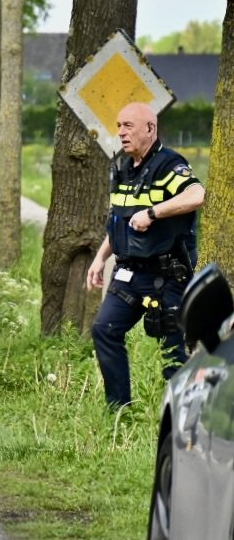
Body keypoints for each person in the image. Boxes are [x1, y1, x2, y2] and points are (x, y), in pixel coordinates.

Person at [86, 101, 204, 409]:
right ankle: (119, 411)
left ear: (150, 128)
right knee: (104, 329)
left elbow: (197, 195)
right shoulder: (124, 169)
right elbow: (120, 222)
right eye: (119, 126)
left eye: (128, 126)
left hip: (167, 276)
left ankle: (181, 419)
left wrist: (153, 213)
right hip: (128, 274)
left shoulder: (169, 164)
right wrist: (100, 258)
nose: (121, 132)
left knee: (173, 354)